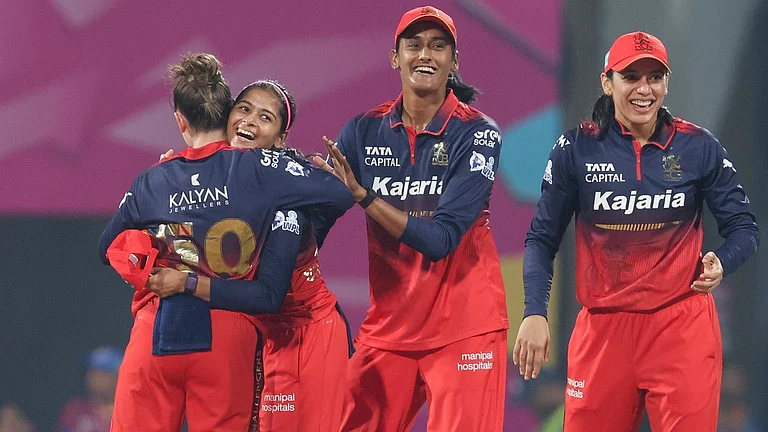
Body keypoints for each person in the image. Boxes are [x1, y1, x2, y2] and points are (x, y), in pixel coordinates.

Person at [516, 31, 759, 431]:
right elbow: (542, 238)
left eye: (655, 76)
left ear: (667, 83)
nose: (644, 89)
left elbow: (743, 228)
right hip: (603, 330)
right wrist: (534, 312)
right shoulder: (575, 148)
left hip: (681, 326)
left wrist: (723, 262)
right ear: (607, 82)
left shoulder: (698, 147)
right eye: (631, 76)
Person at [98, 53, 354, 432]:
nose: (250, 120)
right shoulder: (225, 175)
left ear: (281, 138)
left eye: (265, 117)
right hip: (252, 331)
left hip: (302, 332)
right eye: (244, 109)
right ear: (224, 114)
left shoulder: (284, 192)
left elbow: (268, 294)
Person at [318, 6, 509, 431]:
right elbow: (319, 213)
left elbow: (441, 240)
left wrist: (365, 198)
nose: (426, 54)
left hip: (464, 327)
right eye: (415, 45)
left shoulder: (477, 133)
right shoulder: (363, 130)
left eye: (438, 46)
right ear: (395, 57)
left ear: (453, 61)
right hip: (389, 329)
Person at [56, 346, 123, 432]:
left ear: (117, 376)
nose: (95, 377)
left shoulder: (127, 411)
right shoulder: (76, 409)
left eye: (103, 372)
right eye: (92, 371)